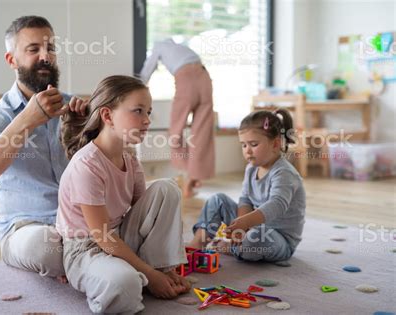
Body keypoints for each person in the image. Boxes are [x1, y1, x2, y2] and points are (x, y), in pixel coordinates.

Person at [56, 75, 191, 314]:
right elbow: (102, 236)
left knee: (167, 188)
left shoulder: (130, 159)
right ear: (107, 116)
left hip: (119, 237)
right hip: (87, 249)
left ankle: (156, 267)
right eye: (138, 111)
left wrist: (163, 270)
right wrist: (148, 274)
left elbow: (148, 216)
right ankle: (130, 276)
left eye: (148, 112)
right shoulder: (86, 165)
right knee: (125, 284)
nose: (147, 120)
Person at [0, 16, 86, 280]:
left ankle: (83, 262)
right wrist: (26, 120)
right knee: (45, 246)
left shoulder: (72, 108)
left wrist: (87, 135)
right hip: (27, 229)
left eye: (51, 48)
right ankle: (89, 261)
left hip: (80, 224)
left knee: (156, 198)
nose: (45, 56)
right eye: (34, 49)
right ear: (12, 60)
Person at [188, 109, 306, 262]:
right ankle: (197, 243)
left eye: (254, 144)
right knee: (217, 200)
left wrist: (246, 224)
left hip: (278, 239)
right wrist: (241, 225)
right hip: (252, 225)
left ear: (275, 144)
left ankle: (231, 247)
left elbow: (277, 205)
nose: (247, 151)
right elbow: (245, 199)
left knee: (256, 238)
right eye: (243, 145)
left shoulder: (284, 173)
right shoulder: (251, 168)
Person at [140, 38, 215, 198]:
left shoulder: (158, 45)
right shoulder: (182, 48)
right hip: (204, 77)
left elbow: (148, 70)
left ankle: (186, 174)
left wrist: (135, 87)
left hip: (186, 78)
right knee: (202, 133)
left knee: (175, 131)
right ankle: (194, 175)